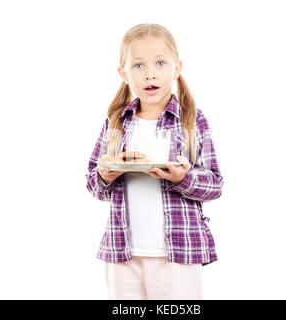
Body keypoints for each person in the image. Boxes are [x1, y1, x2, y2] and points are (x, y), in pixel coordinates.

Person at [85, 23, 224, 300]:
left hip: (177, 252)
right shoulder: (116, 122)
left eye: (160, 63)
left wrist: (182, 178)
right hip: (122, 251)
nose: (150, 73)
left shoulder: (191, 121)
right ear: (123, 73)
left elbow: (215, 185)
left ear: (176, 68)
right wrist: (106, 176)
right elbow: (93, 183)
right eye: (138, 66)